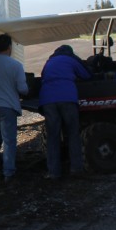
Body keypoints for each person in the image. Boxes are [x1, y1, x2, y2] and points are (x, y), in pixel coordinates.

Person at [39, 44, 92, 181]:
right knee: (73, 133)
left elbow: (43, 76)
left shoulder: (49, 61)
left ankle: (53, 172)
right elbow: (86, 75)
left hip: (48, 99)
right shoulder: (70, 59)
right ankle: (76, 169)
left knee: (52, 136)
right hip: (67, 97)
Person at [0, 33, 29, 182]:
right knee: (8, 140)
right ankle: (8, 171)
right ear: (9, 47)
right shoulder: (16, 65)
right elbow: (22, 89)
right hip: (7, 105)